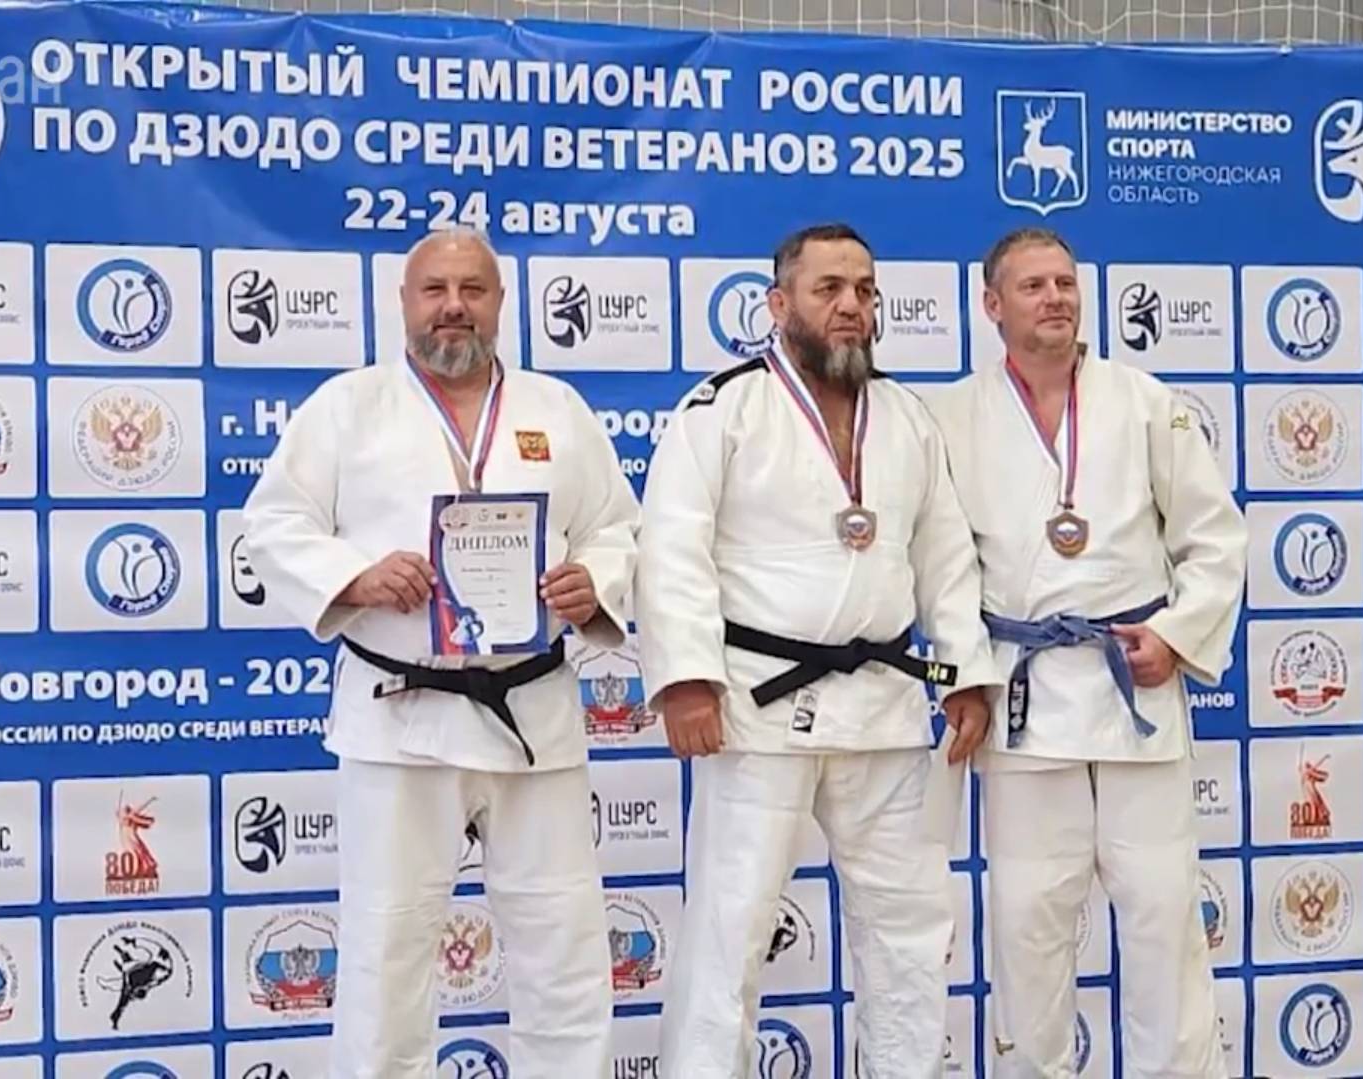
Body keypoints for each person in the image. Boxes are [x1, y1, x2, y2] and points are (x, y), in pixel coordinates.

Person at [241, 226, 638, 1079]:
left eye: (472, 289)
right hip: (400, 716)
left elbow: (616, 526)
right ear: (404, 303)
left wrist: (596, 582)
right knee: (385, 953)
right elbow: (272, 524)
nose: (453, 306)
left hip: (531, 713)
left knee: (564, 948)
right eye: (435, 289)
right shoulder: (348, 407)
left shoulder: (555, 409)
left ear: (499, 302)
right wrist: (354, 577)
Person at [635, 222, 1002, 1077]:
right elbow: (672, 549)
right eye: (828, 288)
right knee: (730, 928)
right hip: (756, 706)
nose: (849, 306)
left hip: (881, 705)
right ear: (778, 303)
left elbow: (945, 558)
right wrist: (685, 678)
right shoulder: (721, 408)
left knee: (909, 928)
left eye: (863, 290)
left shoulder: (905, 417)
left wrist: (964, 673)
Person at [924, 226, 1247, 1079]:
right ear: (991, 305)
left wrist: (1177, 633)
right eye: (1032, 285)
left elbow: (1215, 538)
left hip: (1135, 691)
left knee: (1163, 919)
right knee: (1026, 922)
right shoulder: (948, 417)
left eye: (1064, 283)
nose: (1055, 298)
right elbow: (942, 568)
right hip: (1025, 701)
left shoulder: (1145, 402)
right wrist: (965, 673)